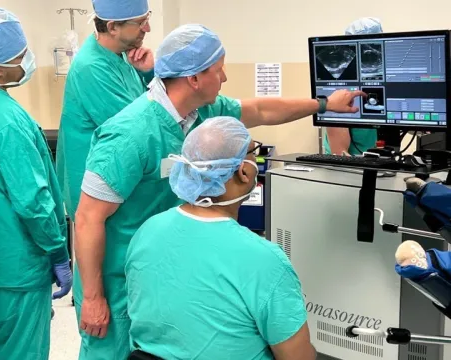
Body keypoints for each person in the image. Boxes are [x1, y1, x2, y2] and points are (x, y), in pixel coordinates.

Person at [73, 23, 364, 359]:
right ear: (194, 78)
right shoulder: (130, 134)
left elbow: (261, 111)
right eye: (219, 69)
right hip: (118, 280)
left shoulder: (203, 113)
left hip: (166, 263)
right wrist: (94, 297)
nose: (224, 77)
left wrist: (325, 104)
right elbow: (86, 218)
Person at [125, 116, 316, 360]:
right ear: (244, 172)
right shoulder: (264, 260)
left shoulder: (148, 231)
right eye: (252, 152)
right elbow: (298, 357)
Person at [0, 7, 72, 360]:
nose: (27, 60)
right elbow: (32, 200)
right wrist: (58, 251)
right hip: (16, 271)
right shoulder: (6, 120)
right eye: (19, 55)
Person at [56, 0, 154, 223]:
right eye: (141, 22)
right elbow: (139, 129)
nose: (147, 28)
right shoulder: (91, 67)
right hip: (102, 192)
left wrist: (149, 73)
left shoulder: (123, 57)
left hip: (121, 180)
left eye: (148, 19)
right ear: (112, 27)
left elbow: (145, 105)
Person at [324, 17, 382, 155]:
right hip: (349, 166)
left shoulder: (380, 81)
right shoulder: (339, 90)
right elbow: (340, 154)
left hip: (373, 160)